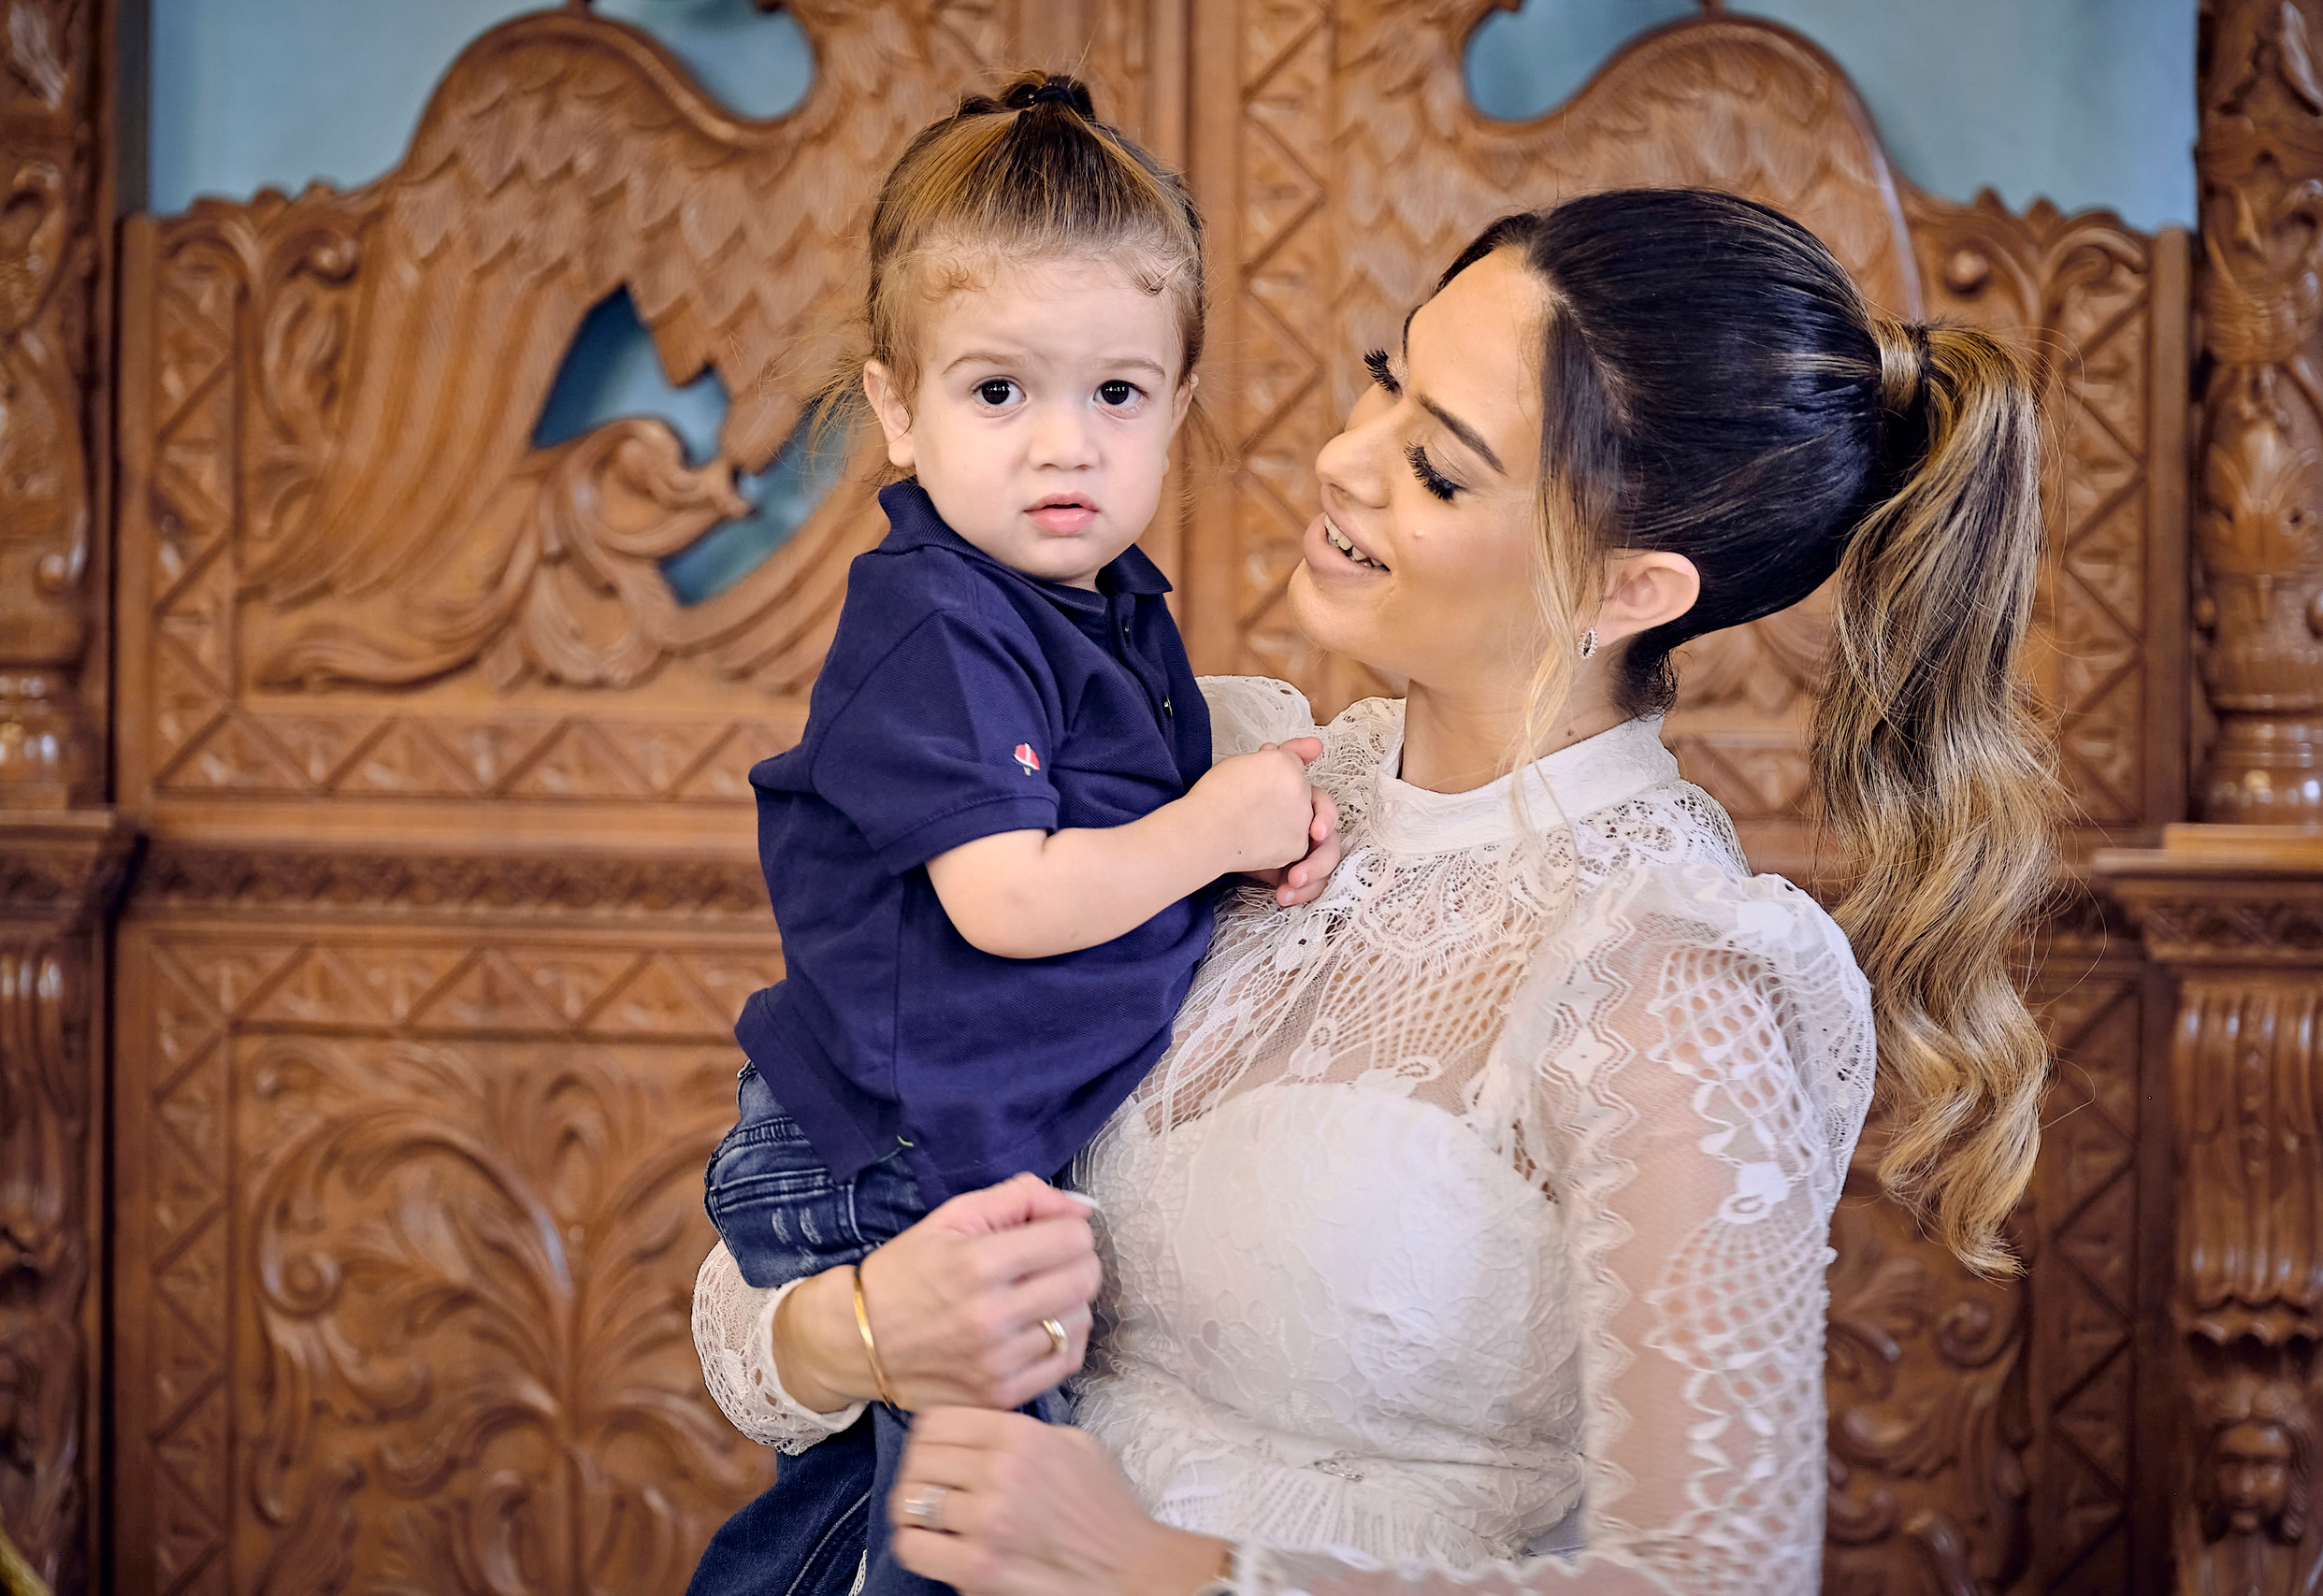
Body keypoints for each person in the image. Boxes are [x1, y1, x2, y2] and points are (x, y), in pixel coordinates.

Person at [692, 186, 2055, 1596]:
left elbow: (1712, 1581)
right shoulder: (1204, 779)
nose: (1343, 462)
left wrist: (1162, 1569)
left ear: (1627, 589)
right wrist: (859, 1330)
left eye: (1441, 471)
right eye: (1385, 384)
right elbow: (779, 1252)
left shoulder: (1669, 980)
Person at [690, 72, 1340, 1596]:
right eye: (1000, 392)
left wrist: (1240, 843)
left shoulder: (1098, 611)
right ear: (896, 412)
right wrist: (1215, 823)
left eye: (1116, 394)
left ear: (1178, 408)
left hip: (951, 1129)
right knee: (978, 1519)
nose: (1065, 447)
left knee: (862, 1516)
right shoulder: (936, 617)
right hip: (888, 1149)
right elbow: (1008, 899)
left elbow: (1120, 832)